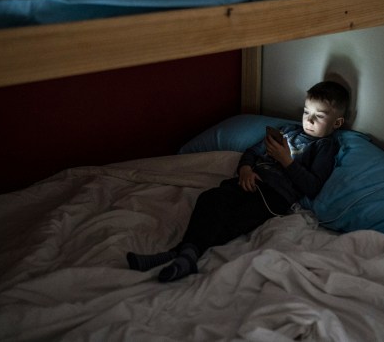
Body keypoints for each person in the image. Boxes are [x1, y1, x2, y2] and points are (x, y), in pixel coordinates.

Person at [126, 80, 350, 282]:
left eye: (319, 116)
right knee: (210, 199)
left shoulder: (324, 147)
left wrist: (286, 161)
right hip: (248, 181)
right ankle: (184, 255)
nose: (308, 120)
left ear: (337, 122)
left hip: (274, 196)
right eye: (306, 112)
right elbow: (252, 151)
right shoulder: (287, 131)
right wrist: (244, 168)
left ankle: (179, 253)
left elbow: (312, 186)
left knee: (233, 221)